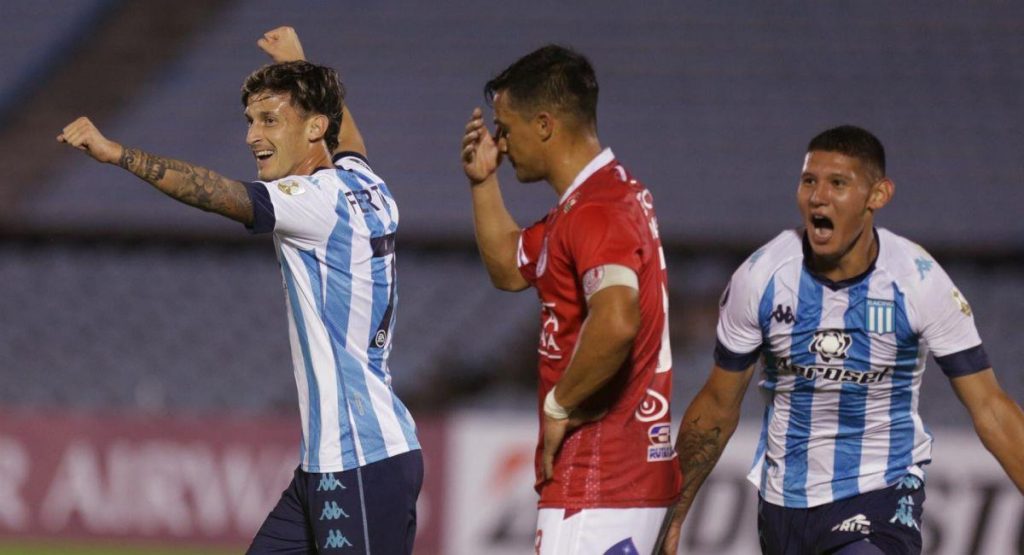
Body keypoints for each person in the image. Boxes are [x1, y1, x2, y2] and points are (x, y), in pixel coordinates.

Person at [58, 27, 422, 554]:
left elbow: (220, 194)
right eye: (250, 121)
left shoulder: (311, 200)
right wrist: (301, 63)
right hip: (339, 458)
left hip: (360, 460)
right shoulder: (367, 184)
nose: (252, 136)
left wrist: (118, 155)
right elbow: (349, 143)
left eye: (270, 121)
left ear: (315, 127)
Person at [657, 125, 1024, 554]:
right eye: (809, 181)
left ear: (878, 196)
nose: (817, 197)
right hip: (783, 505)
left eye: (837, 183)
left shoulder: (918, 282)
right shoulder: (762, 278)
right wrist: (675, 512)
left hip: (881, 490)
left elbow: (991, 407)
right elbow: (717, 406)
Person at [460, 45, 681, 554]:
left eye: (506, 126)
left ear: (544, 124)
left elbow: (618, 319)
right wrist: (482, 182)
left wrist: (561, 405)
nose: (502, 142)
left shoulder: (596, 212)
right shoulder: (600, 200)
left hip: (599, 479)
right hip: (621, 479)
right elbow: (509, 269)